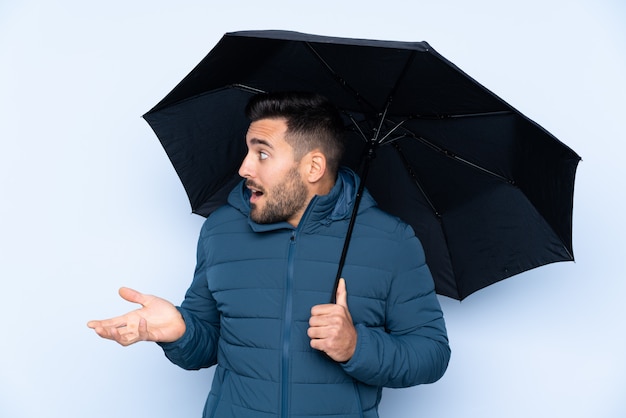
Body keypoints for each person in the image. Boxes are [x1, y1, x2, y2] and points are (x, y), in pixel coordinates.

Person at [88, 91, 450, 417]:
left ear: (313, 167)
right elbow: (206, 344)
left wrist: (356, 346)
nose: (244, 167)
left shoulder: (391, 240)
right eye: (248, 151)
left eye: (261, 153)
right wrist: (179, 332)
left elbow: (431, 354)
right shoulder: (221, 230)